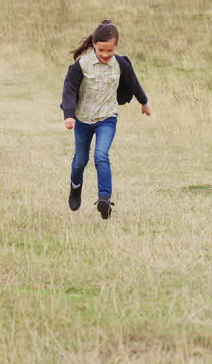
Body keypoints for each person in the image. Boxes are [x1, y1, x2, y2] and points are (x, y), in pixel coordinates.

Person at [59, 20, 151, 219]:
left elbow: (133, 83)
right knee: (80, 161)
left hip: (107, 118)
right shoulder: (82, 65)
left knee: (101, 156)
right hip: (82, 120)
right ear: (94, 45)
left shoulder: (121, 64)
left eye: (110, 50)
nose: (106, 55)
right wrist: (68, 115)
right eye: (101, 50)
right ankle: (75, 188)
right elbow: (69, 89)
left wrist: (144, 102)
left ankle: (104, 199)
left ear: (116, 47)